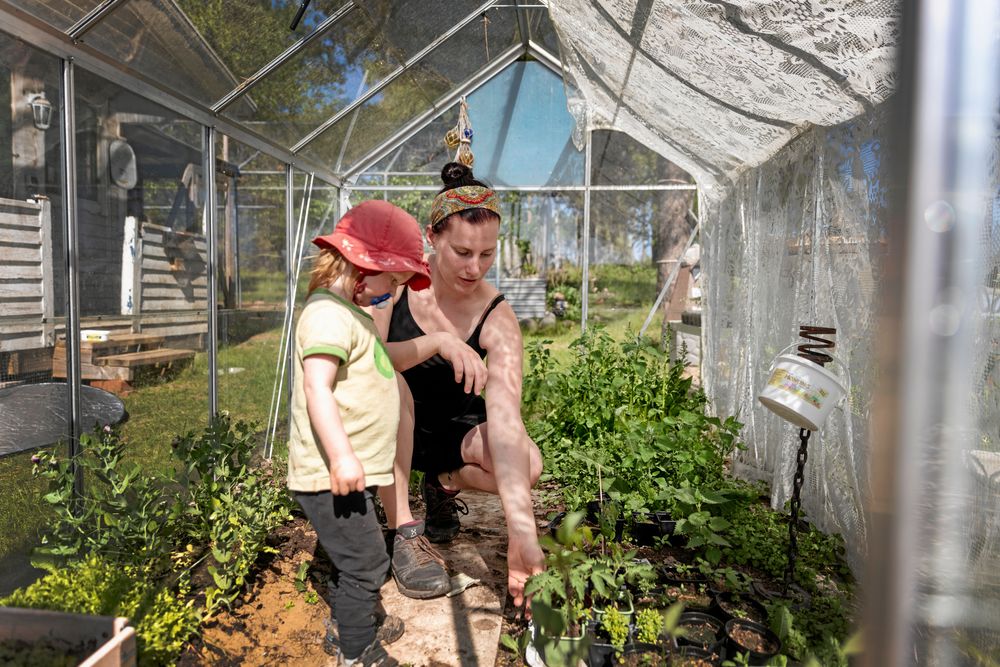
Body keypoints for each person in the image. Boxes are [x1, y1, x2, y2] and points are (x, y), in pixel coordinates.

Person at [374, 162, 545, 609]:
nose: (475, 267)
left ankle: (442, 483)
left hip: (451, 431)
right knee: (395, 385)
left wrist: (521, 534)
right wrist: (439, 342)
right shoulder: (395, 284)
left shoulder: (497, 316)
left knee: (526, 463)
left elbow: (506, 421)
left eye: (487, 254)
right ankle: (403, 530)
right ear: (433, 238)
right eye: (463, 252)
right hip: (386, 424)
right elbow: (366, 356)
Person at [287, 200, 432, 666]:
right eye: (390, 280)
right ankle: (358, 652)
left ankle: (351, 622)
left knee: (355, 555)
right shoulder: (327, 315)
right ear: (361, 265)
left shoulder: (351, 313)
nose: (391, 290)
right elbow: (318, 387)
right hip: (331, 472)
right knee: (367, 561)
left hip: (352, 472)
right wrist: (343, 457)